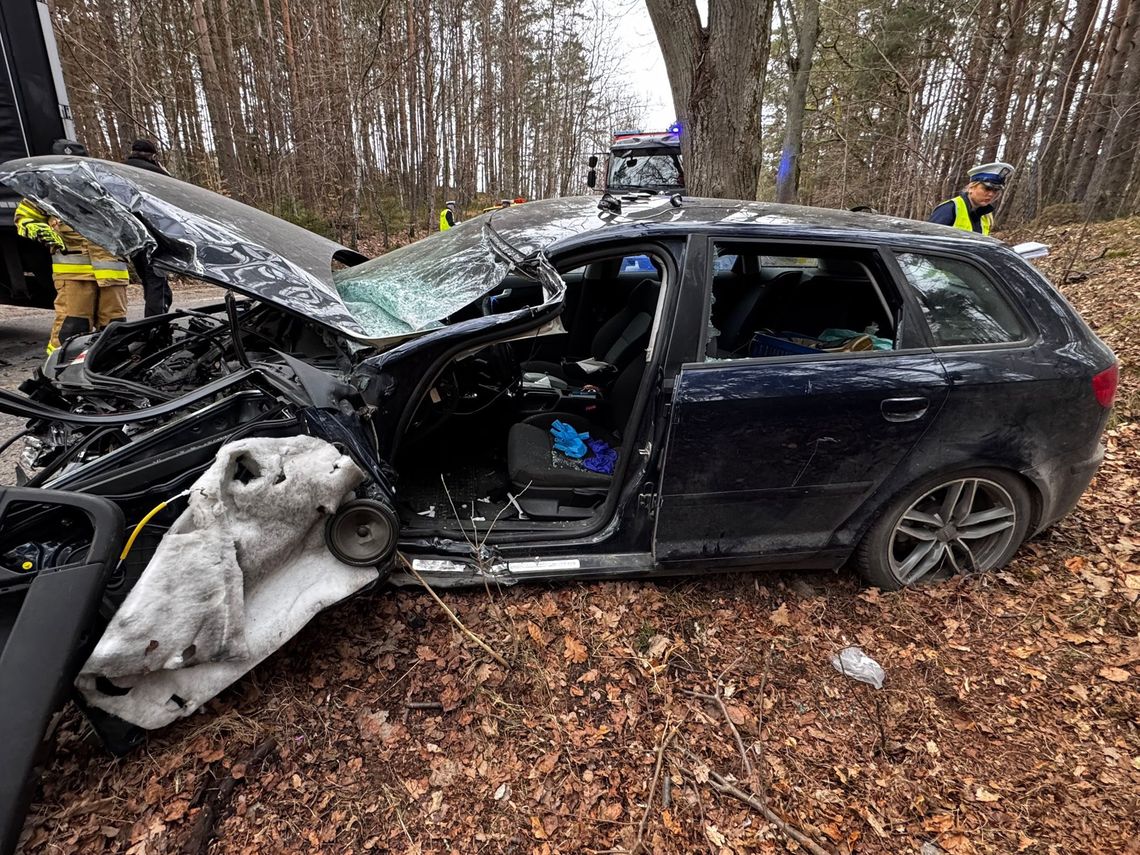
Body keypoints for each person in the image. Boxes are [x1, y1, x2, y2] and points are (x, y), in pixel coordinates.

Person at [14, 139, 130, 353]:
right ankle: (58, 374)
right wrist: (39, 229)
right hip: (73, 274)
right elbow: (23, 218)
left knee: (115, 330)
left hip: (112, 272)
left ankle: (111, 374)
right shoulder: (45, 190)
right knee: (71, 330)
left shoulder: (104, 188)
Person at [124, 138, 173, 315]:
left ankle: (154, 322)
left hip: (132, 238)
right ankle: (156, 329)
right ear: (152, 155)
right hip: (154, 237)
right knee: (156, 284)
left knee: (149, 281)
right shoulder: (156, 174)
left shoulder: (119, 171)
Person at [929, 161, 1014, 235]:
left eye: (995, 190)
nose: (991, 194)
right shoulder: (950, 209)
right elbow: (928, 241)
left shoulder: (986, 215)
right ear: (971, 188)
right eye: (987, 188)